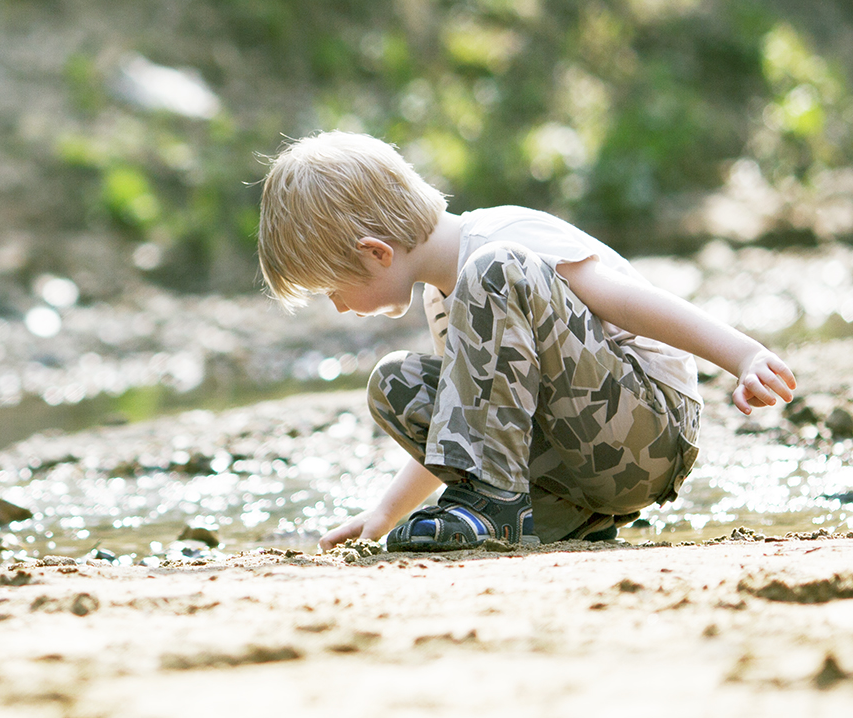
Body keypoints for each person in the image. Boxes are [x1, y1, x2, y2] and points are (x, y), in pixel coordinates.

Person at [257, 131, 797, 551]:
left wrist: (741, 353)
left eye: (333, 287)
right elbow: (475, 417)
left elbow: (628, 300)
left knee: (495, 272)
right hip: (578, 471)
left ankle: (491, 506)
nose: (338, 305)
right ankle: (545, 522)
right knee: (393, 383)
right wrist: (386, 513)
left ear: (376, 252)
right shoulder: (446, 296)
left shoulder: (501, 247)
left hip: (648, 435)